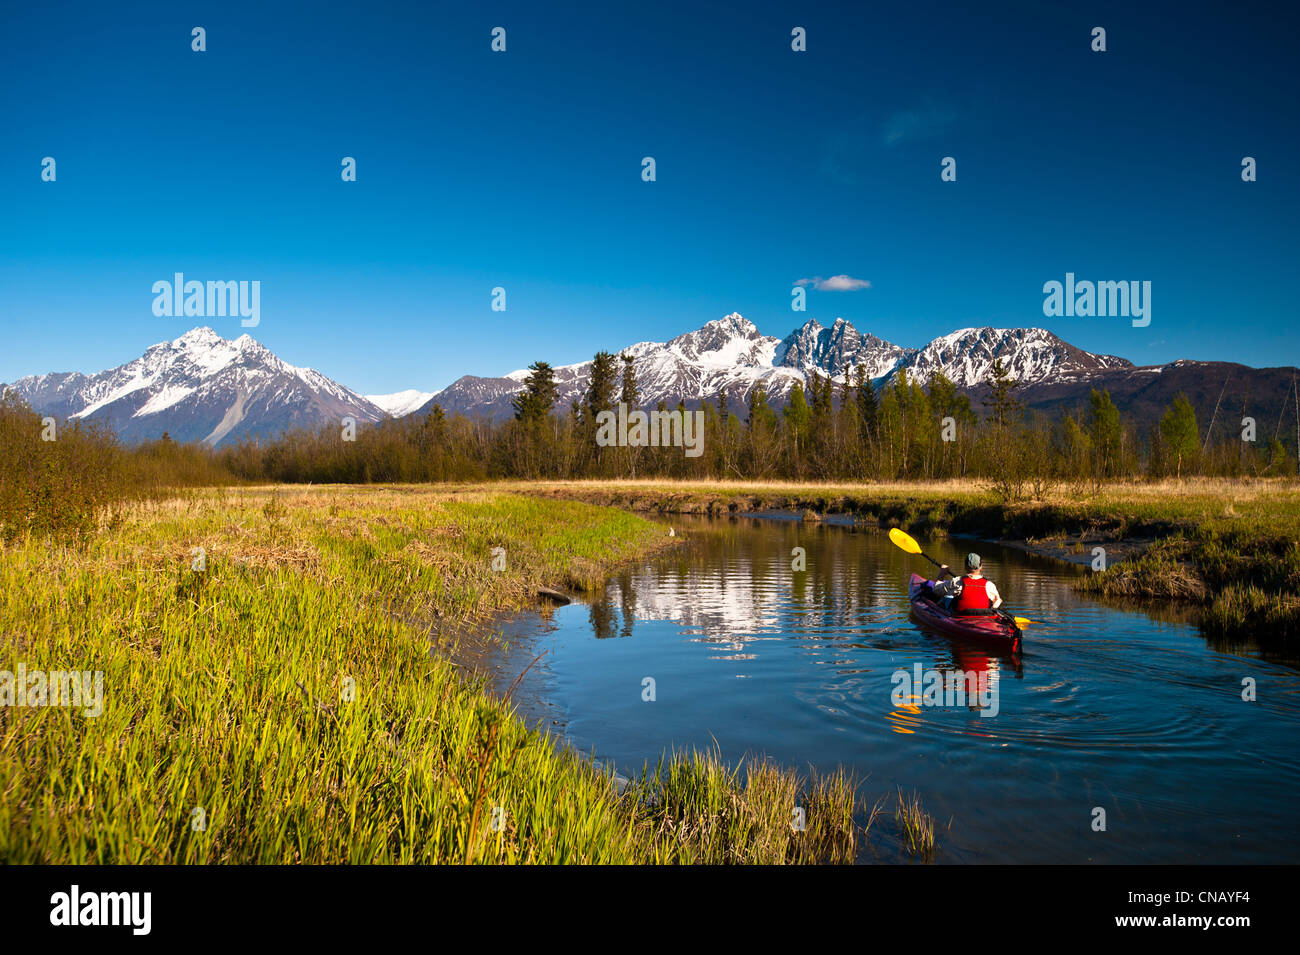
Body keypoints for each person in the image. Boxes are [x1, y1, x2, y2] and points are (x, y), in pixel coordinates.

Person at [928, 553, 1002, 612]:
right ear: (981, 567)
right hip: (984, 618)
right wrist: (992, 610)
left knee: (948, 597)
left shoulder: (957, 581)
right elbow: (998, 601)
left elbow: (936, 590)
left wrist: (942, 573)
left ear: (965, 567)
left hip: (960, 617)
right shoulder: (989, 585)